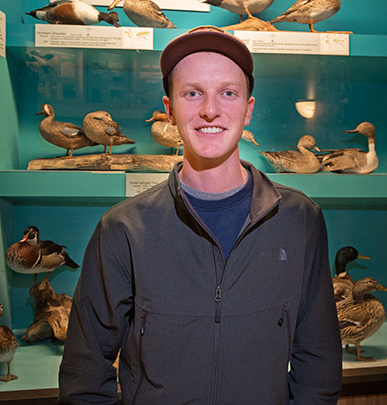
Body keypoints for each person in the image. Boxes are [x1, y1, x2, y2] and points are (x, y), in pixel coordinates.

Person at [58, 26, 342, 405]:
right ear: (171, 110)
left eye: (228, 93)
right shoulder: (123, 229)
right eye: (193, 93)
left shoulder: (300, 219)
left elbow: (318, 363)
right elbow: (84, 374)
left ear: (248, 109)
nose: (211, 110)